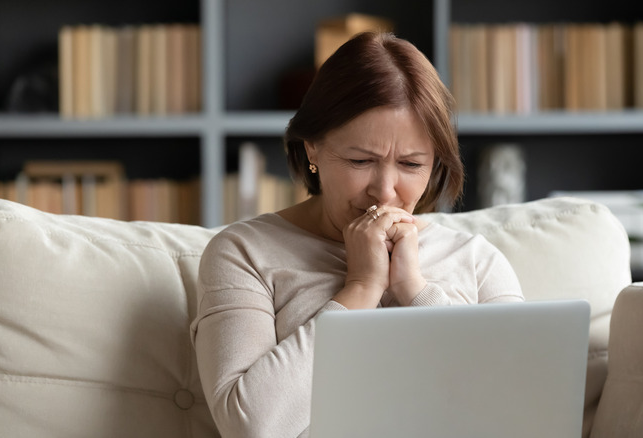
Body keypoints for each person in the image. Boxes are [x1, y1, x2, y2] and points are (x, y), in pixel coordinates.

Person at [190, 31, 524, 438]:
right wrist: (361, 289)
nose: (385, 191)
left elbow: (516, 411)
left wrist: (414, 291)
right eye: (361, 160)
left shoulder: (478, 260)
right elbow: (252, 426)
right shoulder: (243, 254)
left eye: (411, 164)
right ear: (312, 148)